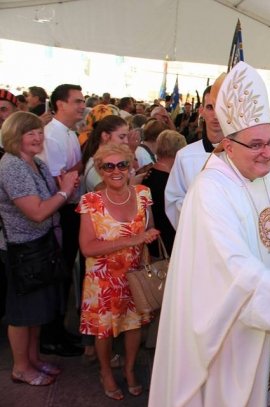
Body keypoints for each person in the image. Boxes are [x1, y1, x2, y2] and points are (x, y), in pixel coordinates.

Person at [149, 61, 270, 406]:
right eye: (255, 144)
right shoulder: (210, 189)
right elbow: (229, 264)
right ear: (228, 146)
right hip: (231, 332)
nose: (268, 152)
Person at [0, 112, 79, 386]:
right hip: (22, 250)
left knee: (36, 313)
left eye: (38, 131)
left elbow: (48, 202)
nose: (37, 137)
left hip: (40, 247)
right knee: (22, 314)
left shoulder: (36, 164)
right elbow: (36, 212)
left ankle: (33, 360)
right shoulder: (12, 166)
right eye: (29, 132)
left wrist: (62, 190)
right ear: (14, 136)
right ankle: (21, 368)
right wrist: (65, 191)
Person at [77, 143, 160, 400]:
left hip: (134, 275)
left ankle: (129, 368)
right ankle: (106, 372)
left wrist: (148, 238)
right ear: (100, 170)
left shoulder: (143, 194)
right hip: (102, 281)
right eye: (108, 166)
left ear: (131, 166)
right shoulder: (90, 201)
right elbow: (87, 247)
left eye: (122, 165)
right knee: (104, 331)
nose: (116, 171)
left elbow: (149, 230)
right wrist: (132, 240)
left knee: (134, 326)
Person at [38, 83, 86, 357]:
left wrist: (72, 172)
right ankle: (50, 335)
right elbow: (60, 180)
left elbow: (73, 172)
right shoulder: (52, 136)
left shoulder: (68, 132)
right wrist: (71, 174)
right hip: (59, 212)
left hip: (70, 208)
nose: (82, 106)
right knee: (58, 274)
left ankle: (58, 329)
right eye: (77, 101)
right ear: (60, 104)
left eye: (82, 101)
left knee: (65, 273)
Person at [164, 85, 224, 229]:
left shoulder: (242, 156)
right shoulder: (185, 156)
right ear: (201, 111)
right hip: (196, 235)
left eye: (222, 108)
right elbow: (173, 200)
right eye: (210, 107)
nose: (216, 115)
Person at [142, 129, 186, 254]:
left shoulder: (148, 175)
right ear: (178, 152)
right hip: (167, 244)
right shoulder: (170, 182)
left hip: (154, 242)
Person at [81, 115, 129, 192]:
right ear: (105, 136)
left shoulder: (105, 161)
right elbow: (114, 200)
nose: (126, 141)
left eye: (127, 137)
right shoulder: (97, 168)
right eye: (121, 137)